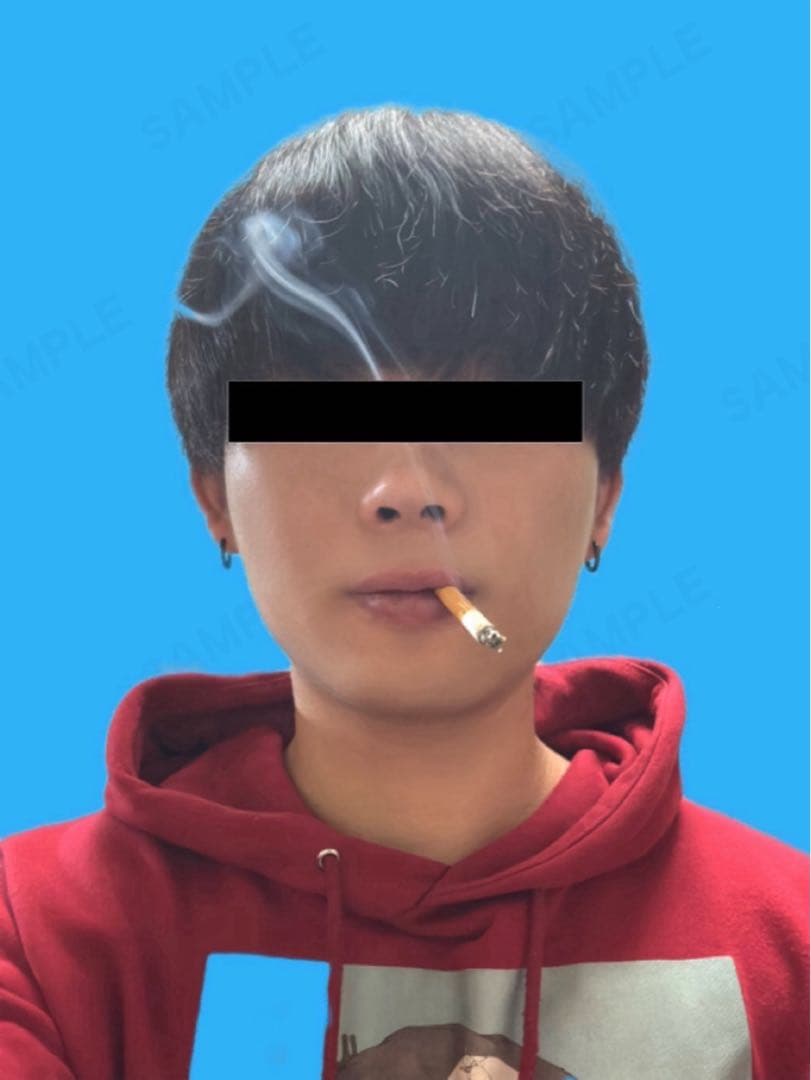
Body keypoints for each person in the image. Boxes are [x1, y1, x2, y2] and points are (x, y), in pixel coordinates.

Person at [0, 105, 807, 1080]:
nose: (407, 491)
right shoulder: (35, 932)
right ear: (215, 497)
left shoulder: (790, 942)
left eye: (491, 418)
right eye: (323, 420)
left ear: (604, 496)